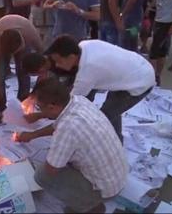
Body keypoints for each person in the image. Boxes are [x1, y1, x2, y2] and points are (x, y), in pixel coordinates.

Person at [19, 35, 156, 142]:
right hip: (134, 67)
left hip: (140, 81)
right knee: (110, 111)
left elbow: (66, 111)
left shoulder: (87, 73)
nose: (58, 66)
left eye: (59, 61)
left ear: (72, 57)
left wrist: (36, 126)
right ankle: (115, 140)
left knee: (104, 117)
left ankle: (113, 148)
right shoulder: (83, 46)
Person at [23, 78, 128, 213]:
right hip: (118, 174)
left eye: (39, 107)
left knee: (41, 175)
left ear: (51, 107)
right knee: (63, 157)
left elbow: (51, 170)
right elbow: (57, 124)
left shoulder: (68, 127)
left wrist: (27, 167)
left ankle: (91, 206)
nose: (39, 111)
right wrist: (32, 135)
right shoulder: (79, 101)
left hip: (105, 189)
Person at [0, 14, 43, 124]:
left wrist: (42, 77)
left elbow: (43, 55)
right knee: (0, 75)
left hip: (23, 31)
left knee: (23, 73)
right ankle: (0, 109)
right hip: (3, 34)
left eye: (18, 50)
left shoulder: (30, 33)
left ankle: (23, 106)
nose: (16, 54)